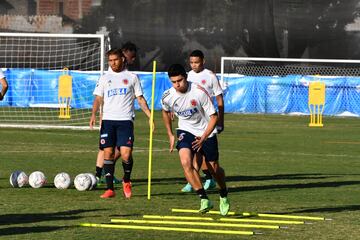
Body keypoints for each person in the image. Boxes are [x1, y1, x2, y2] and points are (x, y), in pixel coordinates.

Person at [161, 64, 230, 215]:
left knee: (214, 168)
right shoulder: (168, 96)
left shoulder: (199, 92)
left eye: (180, 80)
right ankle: (204, 198)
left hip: (206, 131)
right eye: (173, 82)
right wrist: (170, 134)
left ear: (186, 77)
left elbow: (214, 117)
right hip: (185, 130)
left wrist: (204, 137)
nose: (177, 84)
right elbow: (165, 112)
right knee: (186, 162)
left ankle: (223, 194)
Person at [90, 48, 153, 199]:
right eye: (110, 61)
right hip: (108, 121)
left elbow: (140, 98)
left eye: (115, 60)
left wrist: (150, 116)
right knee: (108, 153)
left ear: (122, 59)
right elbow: (98, 98)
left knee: (126, 154)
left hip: (125, 120)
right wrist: (93, 114)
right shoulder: (104, 78)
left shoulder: (132, 77)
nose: (113, 63)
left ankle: (126, 179)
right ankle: (110, 189)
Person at [181, 50, 225, 193]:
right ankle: (196, 180)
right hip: (193, 120)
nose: (194, 65)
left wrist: (221, 121)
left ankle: (206, 179)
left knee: (204, 155)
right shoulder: (187, 76)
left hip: (207, 120)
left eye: (197, 62)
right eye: (191, 62)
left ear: (203, 61)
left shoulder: (210, 76)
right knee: (195, 152)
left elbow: (219, 100)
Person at [94, 42, 138, 185]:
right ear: (124, 56)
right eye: (131, 57)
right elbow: (101, 97)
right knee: (106, 149)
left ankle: (105, 173)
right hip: (109, 117)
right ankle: (99, 175)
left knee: (120, 150)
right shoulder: (108, 75)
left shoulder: (130, 75)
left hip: (124, 118)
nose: (133, 60)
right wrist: (99, 115)